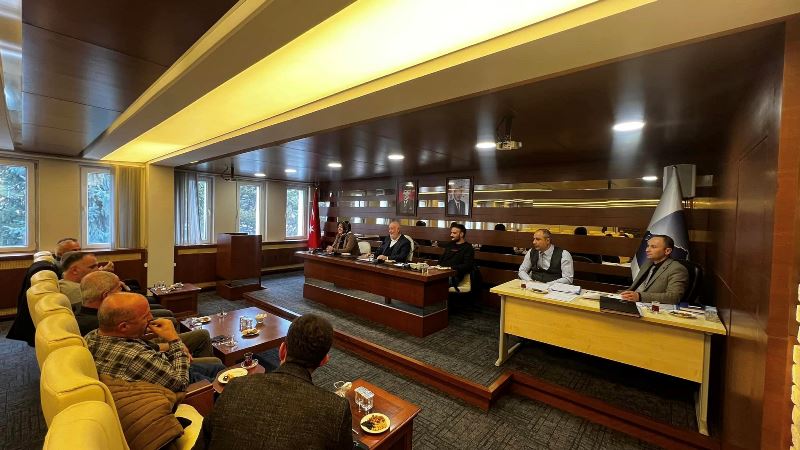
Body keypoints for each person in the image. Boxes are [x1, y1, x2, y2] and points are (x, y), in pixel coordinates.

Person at [195, 314, 352, 450]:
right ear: (324, 361)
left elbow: (203, 443)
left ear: (282, 350)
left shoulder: (235, 386)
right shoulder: (336, 408)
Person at [85, 292, 225, 392]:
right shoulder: (135, 357)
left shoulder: (92, 336)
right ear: (123, 327)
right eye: (145, 316)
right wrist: (174, 340)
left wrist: (174, 349)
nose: (151, 318)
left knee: (218, 367)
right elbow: (181, 383)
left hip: (163, 369)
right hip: (184, 384)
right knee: (226, 376)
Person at [620, 234, 688, 304]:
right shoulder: (647, 264)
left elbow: (674, 297)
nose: (647, 250)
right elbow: (636, 287)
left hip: (653, 307)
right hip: (631, 302)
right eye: (648, 246)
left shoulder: (677, 269)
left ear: (667, 251)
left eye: (653, 247)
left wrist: (640, 296)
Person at [438, 224, 475, 289]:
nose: (451, 235)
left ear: (461, 234)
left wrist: (450, 268)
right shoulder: (450, 244)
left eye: (454, 233)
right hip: (441, 273)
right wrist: (437, 267)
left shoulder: (468, 248)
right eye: (451, 232)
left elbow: (467, 266)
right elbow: (441, 259)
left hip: (454, 276)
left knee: (435, 284)